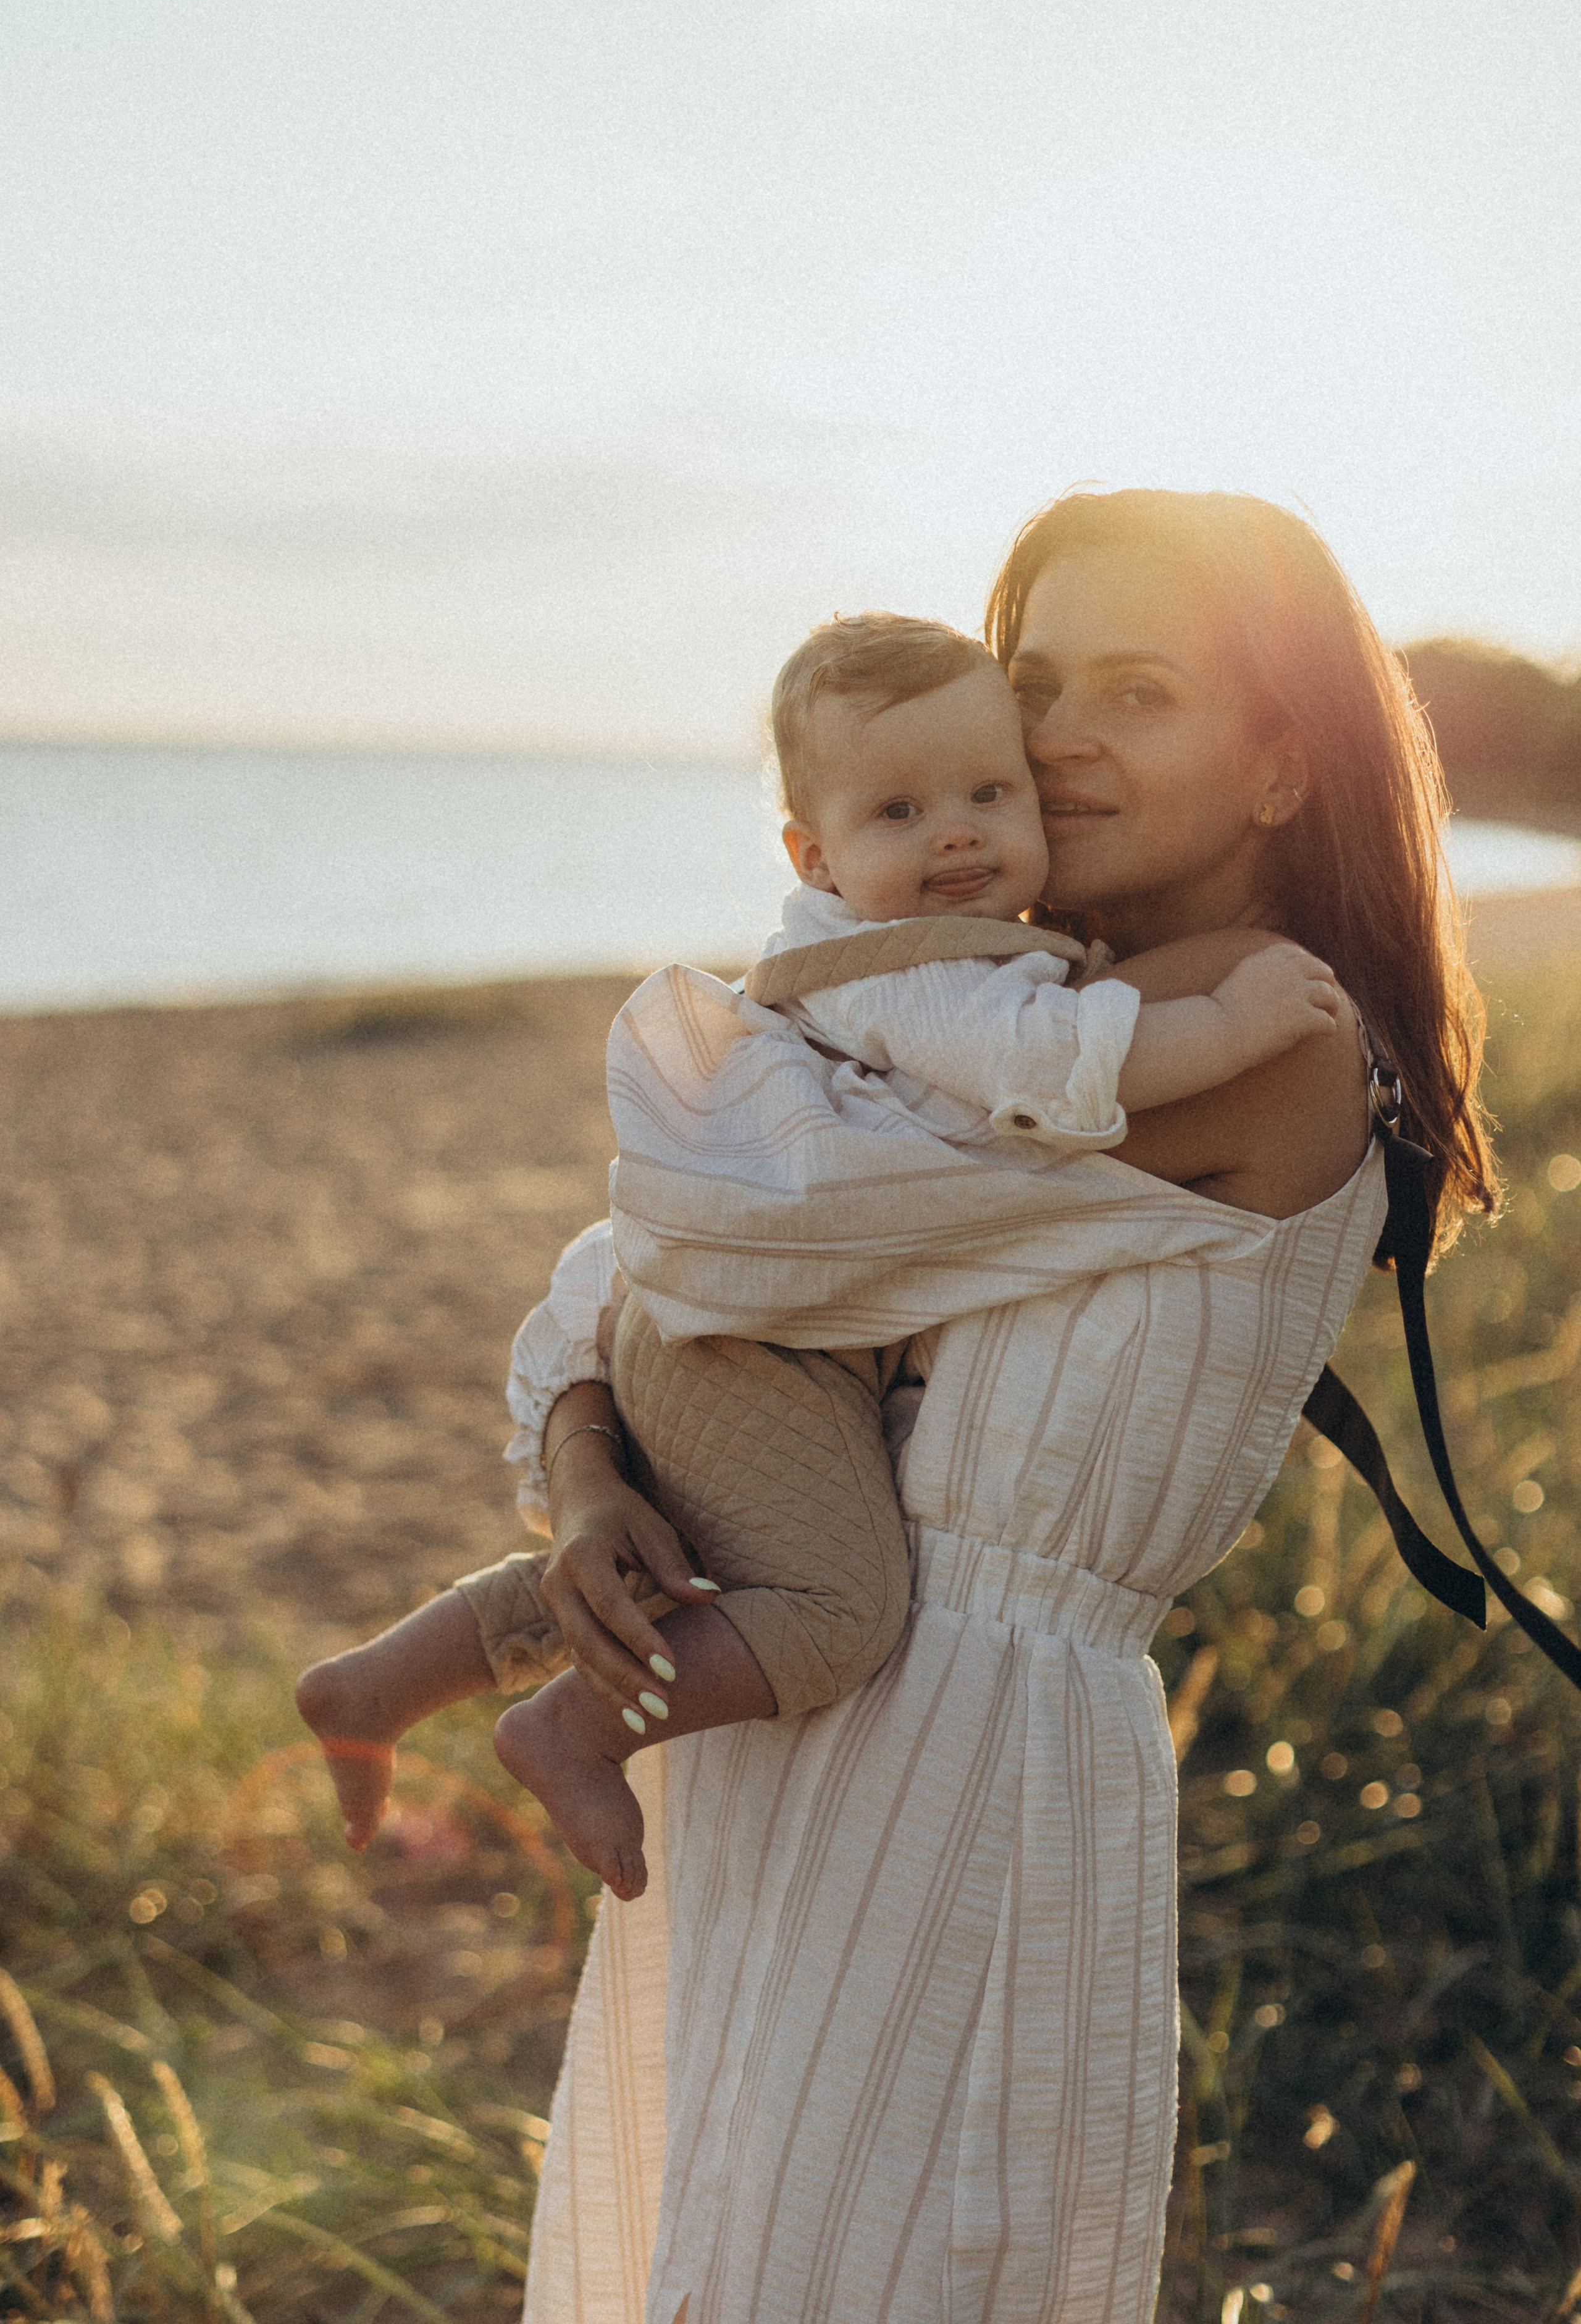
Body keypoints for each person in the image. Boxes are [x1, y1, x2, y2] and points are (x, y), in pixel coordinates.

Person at [508, 490, 1496, 2324]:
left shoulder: (1249, 1038)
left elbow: (740, 1232)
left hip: (966, 1751)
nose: (1062, 739)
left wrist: (611, 1373)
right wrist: (581, 1468)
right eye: (1036, 686)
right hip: (813, 1695)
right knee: (731, 2249)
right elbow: (702, 1259)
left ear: (1282, 769)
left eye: (1141, 693)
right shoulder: (1029, 1014)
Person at [296, 610, 1339, 1905]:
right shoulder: (925, 976)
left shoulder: (904, 956)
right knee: (835, 1606)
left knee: (679, 1567)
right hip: (759, 1355)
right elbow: (1053, 1069)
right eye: (899, 811)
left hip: (740, 1346)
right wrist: (1228, 1021)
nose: (955, 834)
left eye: (988, 792)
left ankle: (380, 1683)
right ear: (814, 855)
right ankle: (572, 1729)